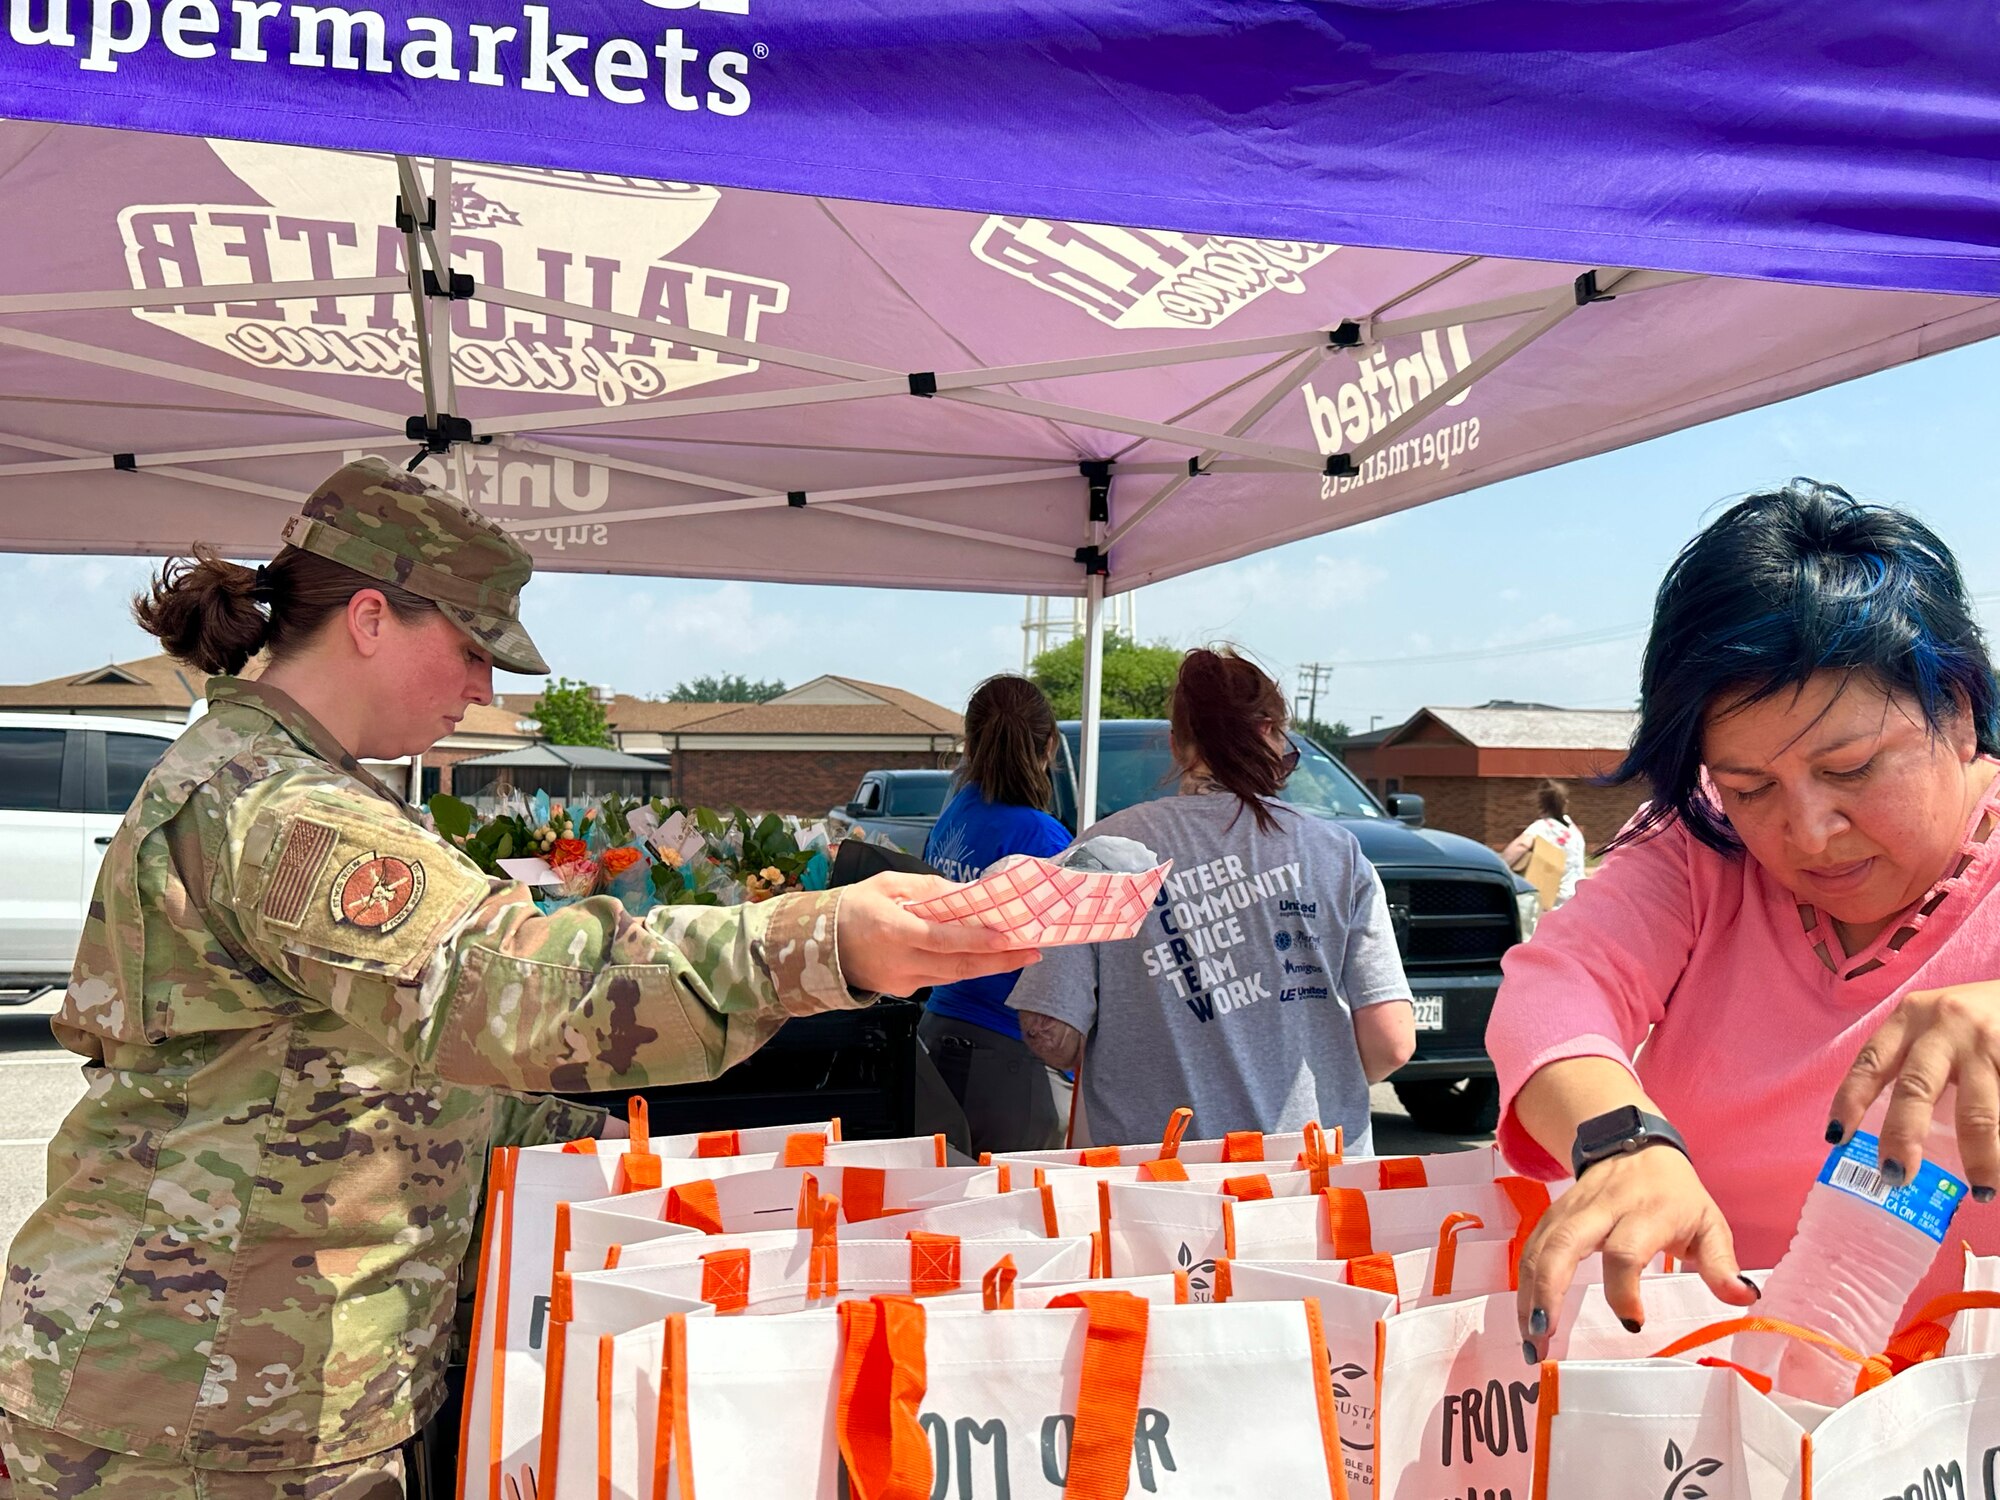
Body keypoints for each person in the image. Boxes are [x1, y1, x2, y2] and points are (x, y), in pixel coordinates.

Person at [0, 459, 1038, 1499]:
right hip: (195, 1415)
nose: (485, 689)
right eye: (468, 649)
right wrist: (816, 945)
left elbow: (383, 1086)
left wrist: (656, 1172)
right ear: (370, 618)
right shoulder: (280, 811)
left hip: (256, 1392)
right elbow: (505, 989)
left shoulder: (291, 787)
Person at [1493, 481, 2000, 1364]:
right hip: (1727, 1408)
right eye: (1753, 787)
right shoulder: (1701, 843)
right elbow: (1559, 985)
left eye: (1851, 769)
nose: (1807, 832)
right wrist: (1621, 1136)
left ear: (1956, 714)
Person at [1010, 647, 1416, 1151]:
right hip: (1312, 1175)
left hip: (1154, 1176)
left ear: (1177, 745)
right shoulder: (1337, 853)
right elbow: (1392, 1042)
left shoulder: (1102, 854)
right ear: (1270, 732)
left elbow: (1049, 1031)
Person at [919, 675, 1077, 1154]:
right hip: (1013, 1061)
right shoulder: (1046, 840)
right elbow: (1069, 968)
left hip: (938, 1034)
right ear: (1050, 746)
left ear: (969, 743)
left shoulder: (957, 812)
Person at [1501, 780, 1587, 907]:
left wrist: (1499, 866)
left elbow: (1520, 846)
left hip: (1554, 902)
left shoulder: (1542, 827)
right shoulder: (1574, 830)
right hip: (1578, 898)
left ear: (1541, 804)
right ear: (1565, 803)